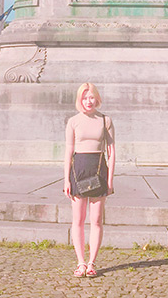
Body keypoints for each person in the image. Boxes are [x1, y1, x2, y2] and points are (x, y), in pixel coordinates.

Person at [64, 82, 115, 278]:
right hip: (78, 170)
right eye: (84, 98)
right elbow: (68, 151)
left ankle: (92, 262)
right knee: (78, 220)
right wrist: (66, 180)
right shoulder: (73, 121)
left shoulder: (105, 120)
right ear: (80, 100)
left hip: (99, 170)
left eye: (91, 97)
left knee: (96, 220)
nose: (88, 101)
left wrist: (110, 180)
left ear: (97, 98)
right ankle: (81, 262)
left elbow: (111, 152)